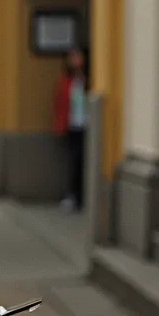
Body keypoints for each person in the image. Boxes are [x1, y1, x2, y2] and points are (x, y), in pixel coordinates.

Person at [53, 46, 89, 212]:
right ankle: (74, 196)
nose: (75, 60)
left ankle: (82, 196)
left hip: (86, 126)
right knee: (75, 161)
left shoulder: (88, 79)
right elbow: (59, 103)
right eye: (72, 57)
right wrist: (60, 125)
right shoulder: (67, 80)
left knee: (83, 161)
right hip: (72, 126)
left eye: (78, 56)